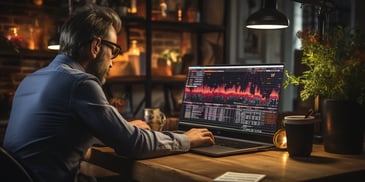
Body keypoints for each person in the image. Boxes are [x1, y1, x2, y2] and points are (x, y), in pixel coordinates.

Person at [3, 4, 214, 182]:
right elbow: (133, 145)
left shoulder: (31, 80)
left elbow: (55, 136)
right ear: (96, 46)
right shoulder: (80, 82)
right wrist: (186, 139)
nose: (112, 62)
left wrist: (121, 129)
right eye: (113, 50)